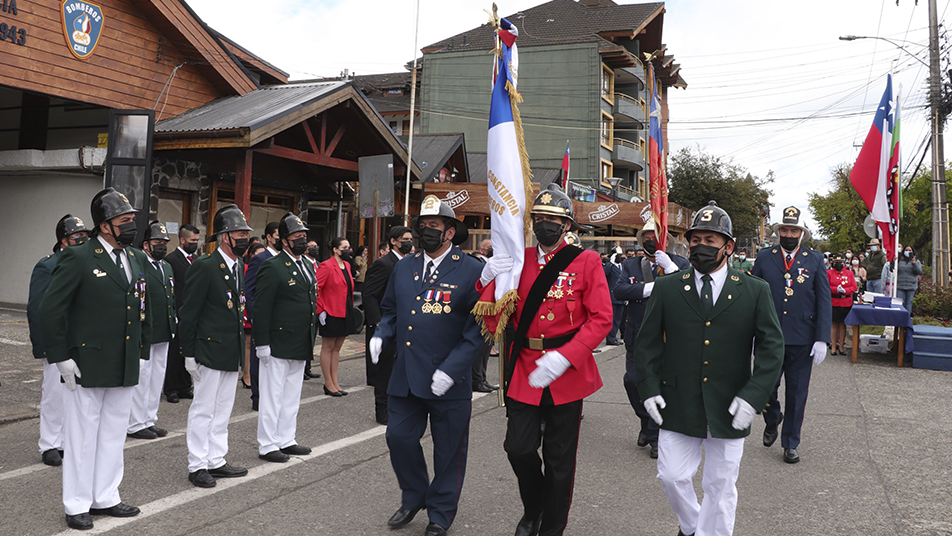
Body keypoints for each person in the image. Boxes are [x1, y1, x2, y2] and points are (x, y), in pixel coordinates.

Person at [635, 200, 784, 536]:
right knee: (671, 476)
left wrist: (754, 396)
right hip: (678, 401)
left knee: (721, 486)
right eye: (695, 239)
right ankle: (692, 526)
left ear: (728, 247)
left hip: (730, 403)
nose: (699, 246)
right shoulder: (668, 287)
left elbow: (772, 347)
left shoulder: (754, 291)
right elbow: (647, 343)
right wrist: (649, 389)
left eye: (709, 240)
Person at [477, 184, 612, 536]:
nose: (545, 225)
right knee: (518, 448)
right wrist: (486, 279)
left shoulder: (586, 261)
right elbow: (494, 313)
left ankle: (551, 527)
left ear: (566, 225)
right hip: (525, 367)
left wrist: (567, 357)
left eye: (553, 219)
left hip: (566, 369)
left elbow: (601, 318)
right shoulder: (519, 260)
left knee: (559, 461)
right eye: (540, 218)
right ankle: (534, 506)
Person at [369, 195, 483, 536]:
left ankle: (440, 514)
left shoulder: (471, 270)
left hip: (448, 378)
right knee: (398, 437)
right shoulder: (405, 265)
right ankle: (414, 495)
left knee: (448, 452)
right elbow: (391, 310)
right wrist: (381, 334)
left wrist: (452, 369)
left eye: (433, 226)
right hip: (405, 375)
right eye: (423, 226)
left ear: (450, 233)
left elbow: (479, 330)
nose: (425, 231)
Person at [39, 188, 152, 530]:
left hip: (123, 360)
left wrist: (142, 351)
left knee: (114, 433)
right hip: (87, 362)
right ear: (104, 226)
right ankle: (77, 503)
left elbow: (141, 309)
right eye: (125, 220)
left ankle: (106, 495)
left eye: (133, 219)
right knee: (81, 435)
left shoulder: (134, 257)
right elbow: (50, 310)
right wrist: (61, 358)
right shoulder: (79, 257)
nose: (132, 225)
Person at [751, 206, 832, 464]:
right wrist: (749, 334)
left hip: (802, 337)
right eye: (784, 229)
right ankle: (773, 417)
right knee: (765, 389)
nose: (788, 233)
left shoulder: (815, 259)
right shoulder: (765, 257)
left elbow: (824, 300)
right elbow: (752, 296)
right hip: (770, 337)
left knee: (797, 395)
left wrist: (822, 338)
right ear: (778, 232)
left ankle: (790, 443)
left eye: (793, 230)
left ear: (801, 234)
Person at [180, 204, 252, 488]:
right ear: (225, 237)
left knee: (223, 408)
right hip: (208, 350)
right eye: (239, 233)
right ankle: (197, 464)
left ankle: (216, 459)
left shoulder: (239, 266)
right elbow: (189, 312)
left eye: (246, 233)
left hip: (230, 349)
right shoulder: (205, 266)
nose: (244, 238)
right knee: (203, 408)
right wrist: (188, 352)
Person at [613, 217, 690, 459]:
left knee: (661, 386)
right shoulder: (630, 265)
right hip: (638, 333)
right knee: (633, 382)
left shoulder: (680, 263)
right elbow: (620, 289)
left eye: (656, 236)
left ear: (667, 239)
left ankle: (656, 437)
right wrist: (650, 288)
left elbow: (689, 292)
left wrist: (671, 271)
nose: (651, 240)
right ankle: (646, 422)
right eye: (646, 236)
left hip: (669, 336)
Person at [253, 213, 318, 463]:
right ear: (285, 240)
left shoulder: (307, 265)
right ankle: (268, 444)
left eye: (304, 236)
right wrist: (262, 343)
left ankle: (286, 438)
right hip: (278, 341)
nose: (302, 241)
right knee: (272, 395)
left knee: (292, 394)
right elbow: (262, 307)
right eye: (297, 237)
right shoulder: (273, 265)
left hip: (299, 340)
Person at [27, 214, 89, 467]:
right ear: (63, 241)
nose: (82, 242)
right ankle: (50, 443)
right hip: (58, 341)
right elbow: (38, 308)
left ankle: (68, 440)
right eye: (77, 238)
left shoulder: (86, 264)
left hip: (81, 340)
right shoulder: (48, 265)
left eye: (85, 237)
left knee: (77, 394)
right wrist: (44, 347)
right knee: (54, 393)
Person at [127, 221, 177, 440]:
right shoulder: (139, 264)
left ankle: (149, 419)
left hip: (164, 329)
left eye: (164, 243)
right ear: (146, 245)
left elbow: (171, 297)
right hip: (146, 329)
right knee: (143, 376)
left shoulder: (166, 266)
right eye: (157, 242)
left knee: (157, 376)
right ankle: (136, 423)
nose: (162, 246)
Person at [363, 225, 413, 424]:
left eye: (411, 238)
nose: (409, 242)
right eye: (405, 239)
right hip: (386, 324)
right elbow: (369, 294)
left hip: (404, 325)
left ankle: (398, 406)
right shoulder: (384, 264)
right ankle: (381, 410)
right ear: (393, 241)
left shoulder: (410, 263)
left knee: (399, 369)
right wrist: (378, 322)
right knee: (385, 372)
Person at [244, 221, 281, 410]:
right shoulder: (260, 259)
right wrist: (254, 315)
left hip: (280, 319)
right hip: (261, 316)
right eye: (277, 235)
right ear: (268, 237)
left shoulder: (286, 259)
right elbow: (249, 290)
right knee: (259, 358)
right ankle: (257, 397)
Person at [164, 223, 200, 404]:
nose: (195, 243)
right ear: (183, 240)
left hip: (191, 313)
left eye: (197, 240)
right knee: (174, 352)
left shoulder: (196, 260)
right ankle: (171, 388)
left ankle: (185, 385)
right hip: (178, 311)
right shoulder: (171, 259)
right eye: (192, 240)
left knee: (187, 350)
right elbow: (171, 288)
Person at [316, 237, 355, 396]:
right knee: (328, 347)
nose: (348, 249)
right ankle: (328, 383)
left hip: (345, 309)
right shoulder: (326, 265)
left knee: (337, 348)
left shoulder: (346, 265)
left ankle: (335, 381)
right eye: (345, 247)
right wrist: (321, 309)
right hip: (330, 311)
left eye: (349, 246)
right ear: (335, 249)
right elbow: (316, 288)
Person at [468, 237, 499, 392]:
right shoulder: (479, 263)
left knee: (487, 348)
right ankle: (476, 380)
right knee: (479, 349)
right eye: (489, 247)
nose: (492, 249)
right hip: (479, 311)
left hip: (490, 312)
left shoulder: (491, 264)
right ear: (482, 250)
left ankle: (482, 378)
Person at [241, 242, 267, 388]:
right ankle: (246, 374)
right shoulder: (247, 268)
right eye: (257, 254)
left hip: (260, 307)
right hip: (249, 307)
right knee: (248, 343)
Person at [827, 253, 857, 356]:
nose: (839, 264)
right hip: (834, 301)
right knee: (834, 324)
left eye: (841, 263)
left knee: (843, 325)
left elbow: (854, 287)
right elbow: (826, 286)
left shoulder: (849, 273)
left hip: (846, 302)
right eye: (837, 263)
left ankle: (842, 347)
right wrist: (836, 289)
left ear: (844, 263)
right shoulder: (829, 273)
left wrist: (846, 291)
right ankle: (833, 346)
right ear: (833, 263)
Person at [303, 239, 322, 381]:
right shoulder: (303, 263)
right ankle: (302, 367)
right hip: (306, 307)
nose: (314, 249)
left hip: (317, 306)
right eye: (311, 247)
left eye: (316, 246)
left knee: (312, 338)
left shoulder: (319, 265)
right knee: (303, 338)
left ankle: (308, 367)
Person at [604, 248, 625, 346]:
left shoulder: (622, 266)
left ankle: (614, 337)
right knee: (611, 319)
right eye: (617, 255)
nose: (620, 257)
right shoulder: (610, 266)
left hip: (621, 297)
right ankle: (610, 338)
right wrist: (610, 263)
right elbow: (603, 274)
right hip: (612, 297)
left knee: (618, 319)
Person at [893, 245, 923, 313]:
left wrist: (914, 263)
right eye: (906, 250)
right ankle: (899, 320)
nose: (908, 252)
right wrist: (893, 262)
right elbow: (893, 270)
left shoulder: (916, 261)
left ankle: (907, 320)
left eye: (910, 250)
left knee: (908, 303)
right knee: (900, 303)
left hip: (911, 286)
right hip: (900, 286)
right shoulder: (899, 260)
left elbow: (919, 272)